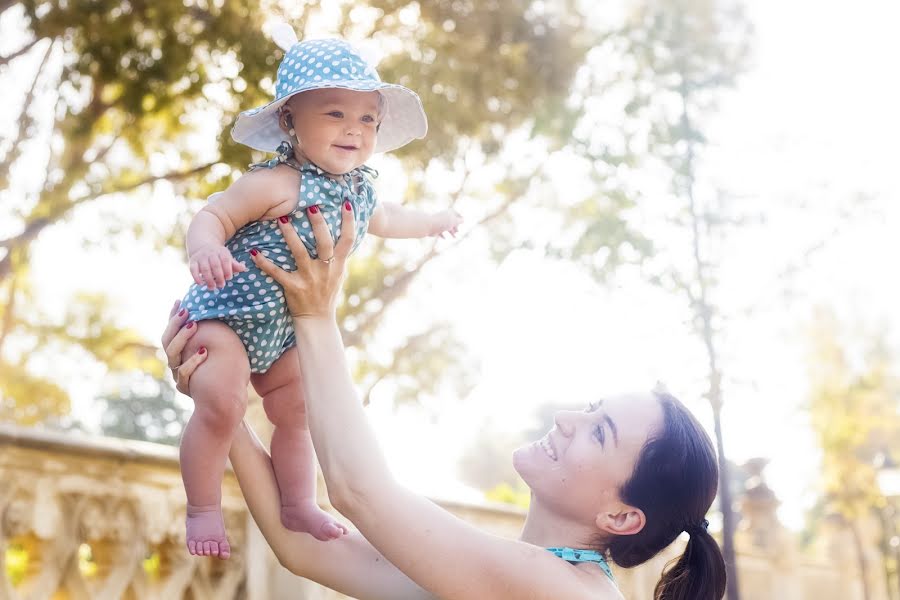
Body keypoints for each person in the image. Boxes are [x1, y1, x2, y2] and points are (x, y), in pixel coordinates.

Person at [161, 206, 727, 599]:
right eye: (590, 407)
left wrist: (315, 313)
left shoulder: (566, 592)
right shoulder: (494, 572)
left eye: (599, 432)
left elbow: (360, 491)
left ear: (622, 517)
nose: (566, 419)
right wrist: (221, 403)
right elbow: (304, 549)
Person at [176, 26, 462, 559]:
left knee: (299, 410)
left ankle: (298, 501)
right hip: (226, 317)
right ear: (290, 120)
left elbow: (393, 218)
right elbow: (213, 214)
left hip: (284, 330)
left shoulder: (360, 188)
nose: (354, 129)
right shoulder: (275, 183)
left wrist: (434, 222)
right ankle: (202, 507)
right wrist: (205, 250)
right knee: (220, 402)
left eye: (367, 118)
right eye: (335, 113)